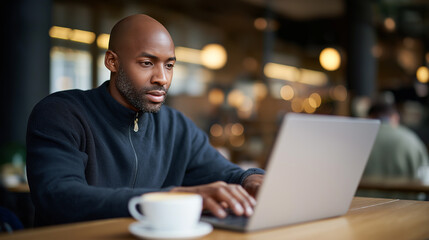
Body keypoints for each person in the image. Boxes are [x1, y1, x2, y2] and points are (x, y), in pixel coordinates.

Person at [26, 14, 264, 226]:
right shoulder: (61, 113)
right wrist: (168, 199)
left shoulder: (176, 127)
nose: (162, 78)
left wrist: (252, 179)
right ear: (112, 62)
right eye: (147, 63)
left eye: (169, 65)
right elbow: (58, 197)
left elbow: (227, 174)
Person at [361, 101, 429, 199]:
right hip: (405, 207)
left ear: (368, 117)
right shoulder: (411, 140)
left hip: (361, 207)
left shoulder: (357, 139)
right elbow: (425, 179)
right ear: (395, 117)